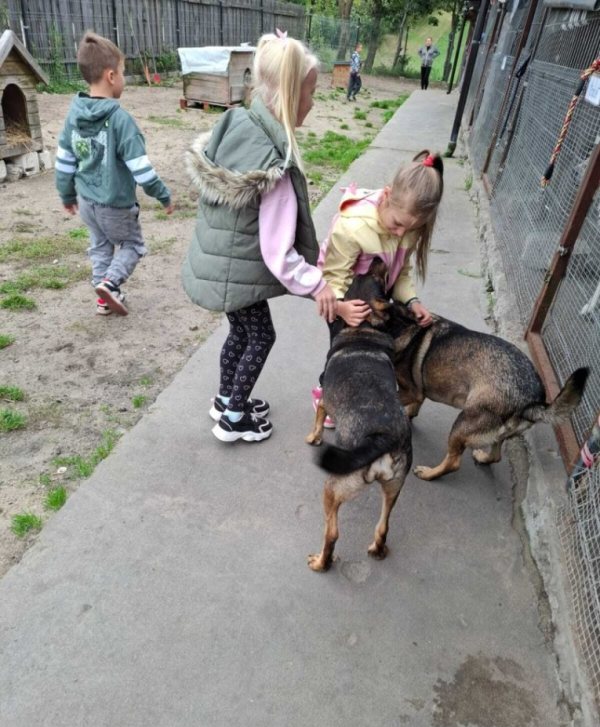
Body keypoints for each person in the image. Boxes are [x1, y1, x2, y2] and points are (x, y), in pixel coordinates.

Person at [181, 31, 337, 444]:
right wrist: (316, 283)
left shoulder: (240, 123)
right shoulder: (274, 168)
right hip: (238, 271)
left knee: (241, 332)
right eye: (311, 93)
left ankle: (225, 399)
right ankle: (234, 418)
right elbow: (277, 253)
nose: (313, 102)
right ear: (289, 95)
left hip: (222, 263)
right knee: (261, 336)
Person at [311, 150, 444, 426]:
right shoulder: (353, 226)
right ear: (386, 195)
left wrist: (412, 301)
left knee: (372, 352)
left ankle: (361, 396)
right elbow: (332, 277)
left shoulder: (408, 226)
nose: (401, 233)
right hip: (342, 298)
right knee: (342, 353)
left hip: (374, 298)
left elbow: (402, 272)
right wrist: (341, 309)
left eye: (410, 229)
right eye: (397, 224)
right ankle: (326, 394)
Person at [55, 31, 173, 317]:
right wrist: (163, 195)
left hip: (87, 202)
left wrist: (67, 195)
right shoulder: (121, 120)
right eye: (122, 72)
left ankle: (104, 297)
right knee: (132, 245)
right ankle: (110, 283)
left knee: (100, 247)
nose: (123, 79)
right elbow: (141, 169)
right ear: (110, 76)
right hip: (115, 205)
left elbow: (64, 160)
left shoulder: (74, 115)